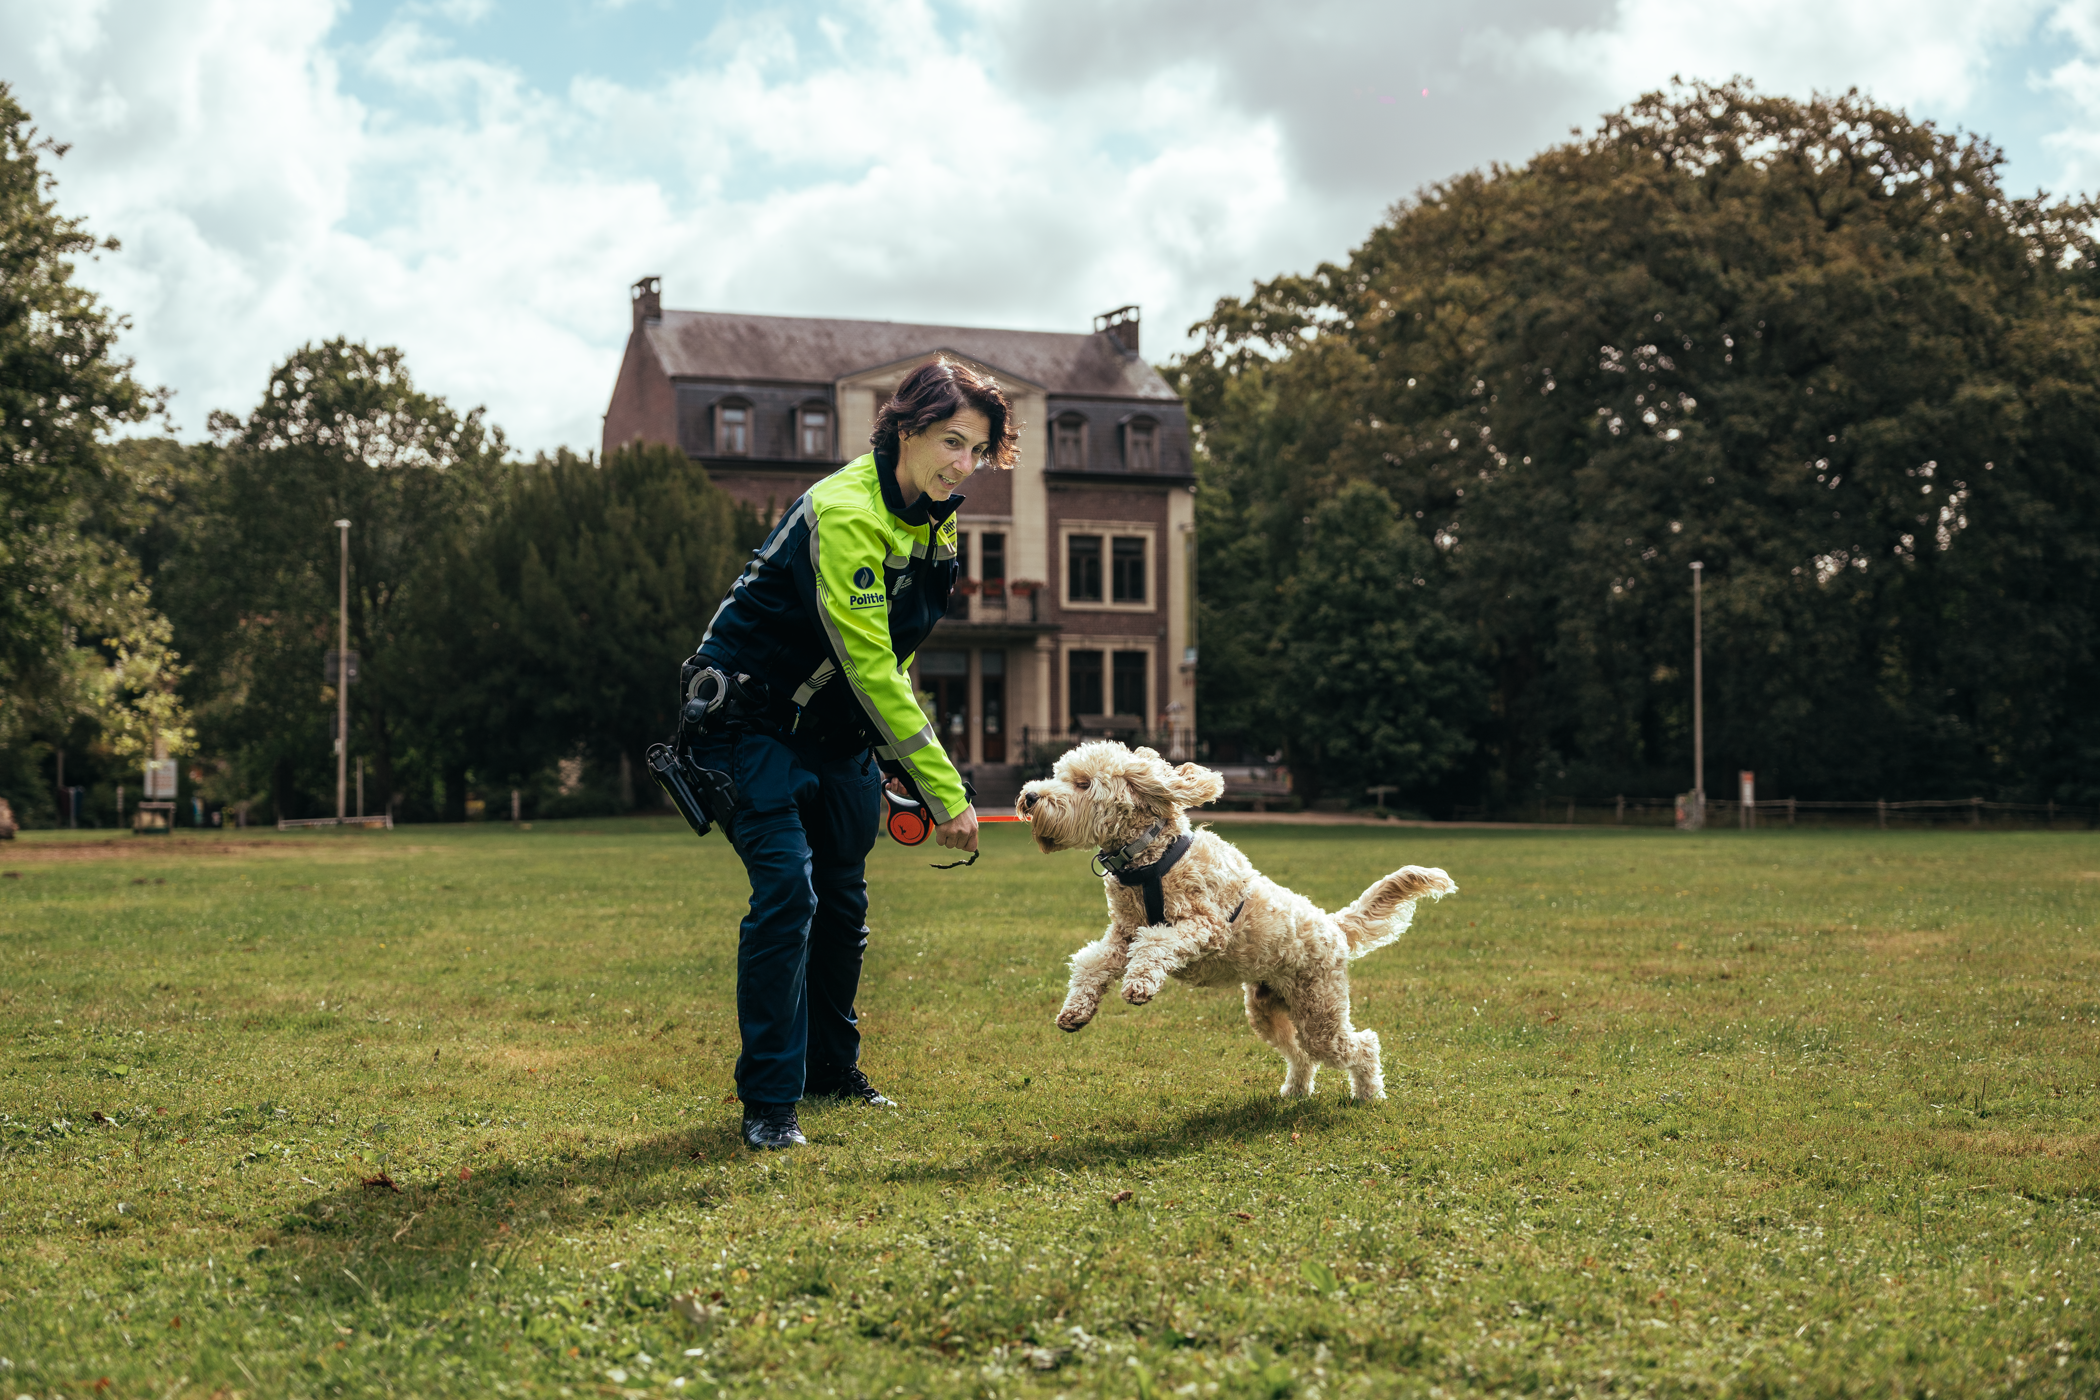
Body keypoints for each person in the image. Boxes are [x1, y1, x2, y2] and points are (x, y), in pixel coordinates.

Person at [682, 358, 1014, 1149]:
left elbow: (894, 656)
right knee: (788, 896)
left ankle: (832, 1071)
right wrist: (947, 791)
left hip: (836, 738)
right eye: (952, 442)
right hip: (748, 726)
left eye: (977, 450)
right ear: (906, 429)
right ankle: (769, 1104)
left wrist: (895, 755)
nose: (963, 464)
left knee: (843, 904)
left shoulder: (935, 519)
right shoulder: (844, 512)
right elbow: (866, 662)